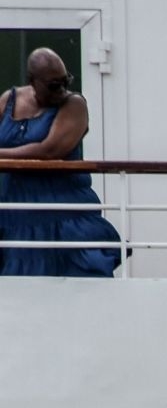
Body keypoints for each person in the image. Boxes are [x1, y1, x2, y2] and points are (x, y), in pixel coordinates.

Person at [0, 49, 122, 276]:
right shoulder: (9, 100)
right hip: (15, 211)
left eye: (66, 81)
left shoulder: (74, 104)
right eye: (53, 85)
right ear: (32, 81)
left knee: (77, 286)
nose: (62, 90)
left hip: (62, 212)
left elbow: (50, 150)